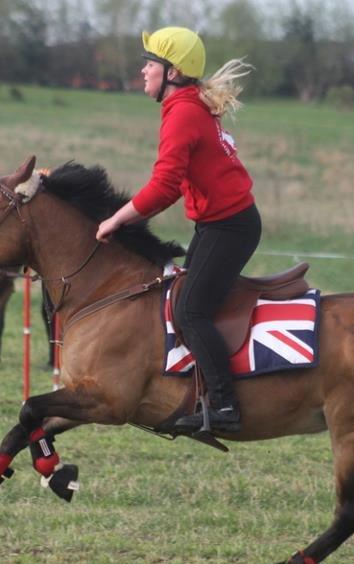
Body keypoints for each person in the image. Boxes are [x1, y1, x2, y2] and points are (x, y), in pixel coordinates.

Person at [95, 27, 261, 434]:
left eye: (150, 64)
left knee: (190, 310)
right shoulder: (186, 106)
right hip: (218, 224)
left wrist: (118, 219)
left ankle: (224, 407)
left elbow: (165, 186)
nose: (143, 71)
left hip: (230, 227)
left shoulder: (184, 113)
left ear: (172, 73)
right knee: (187, 301)